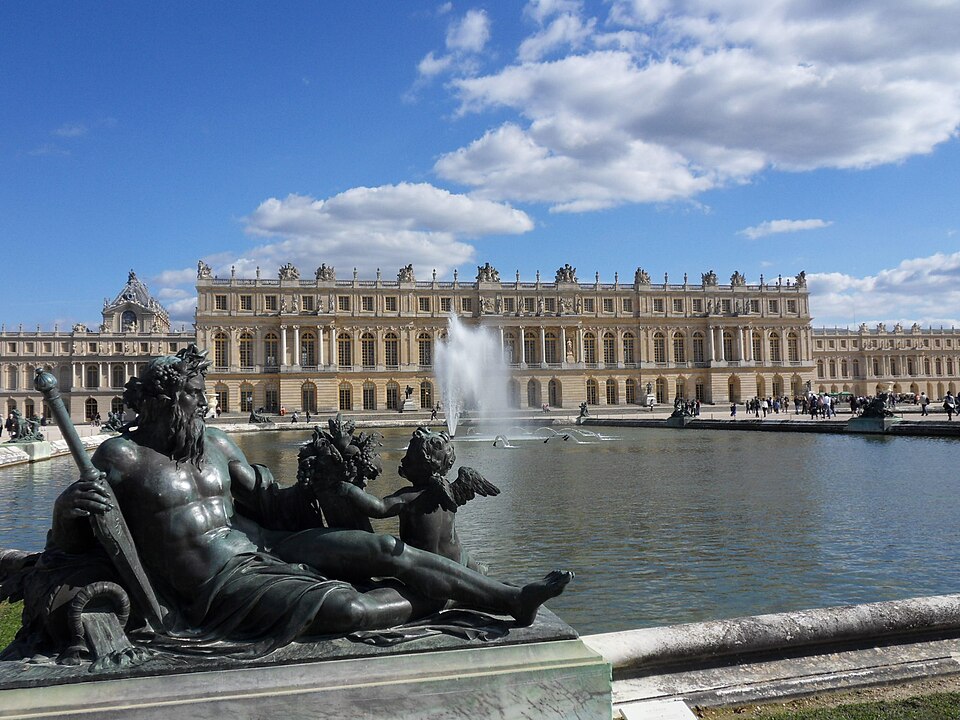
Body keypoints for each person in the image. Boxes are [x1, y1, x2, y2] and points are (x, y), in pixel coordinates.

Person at [52, 346, 570, 654]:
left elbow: (275, 504)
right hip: (213, 584)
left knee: (385, 553)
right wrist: (68, 507)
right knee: (345, 606)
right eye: (194, 393)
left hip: (264, 547)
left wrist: (324, 480)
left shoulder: (216, 443)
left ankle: (509, 599)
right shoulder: (123, 456)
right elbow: (76, 541)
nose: (205, 401)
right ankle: (437, 598)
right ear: (166, 399)